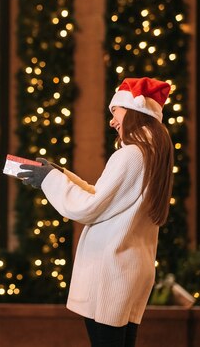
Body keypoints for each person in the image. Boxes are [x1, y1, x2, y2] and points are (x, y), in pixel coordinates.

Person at [18, 77, 174, 347]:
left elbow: (89, 207)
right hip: (131, 270)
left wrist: (48, 180)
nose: (112, 121)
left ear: (135, 111)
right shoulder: (152, 154)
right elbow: (104, 197)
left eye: (116, 111)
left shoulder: (130, 155)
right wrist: (60, 174)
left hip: (111, 271)